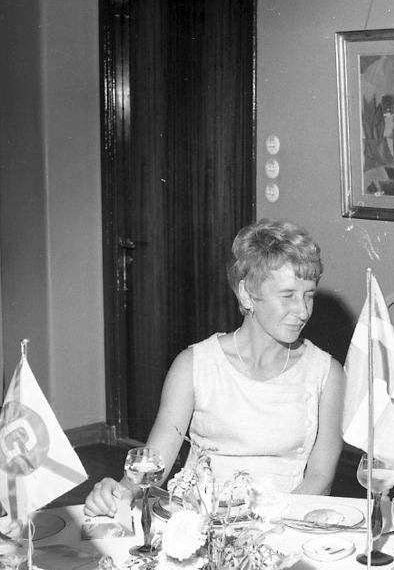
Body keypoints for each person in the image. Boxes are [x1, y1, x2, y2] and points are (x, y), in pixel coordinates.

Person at [84, 218, 344, 517]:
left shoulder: (326, 372)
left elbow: (320, 478)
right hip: (202, 522)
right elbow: (156, 462)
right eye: (288, 296)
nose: (302, 311)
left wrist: (266, 522)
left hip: (284, 520)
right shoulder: (193, 364)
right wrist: (121, 491)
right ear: (246, 294)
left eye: (308, 295)